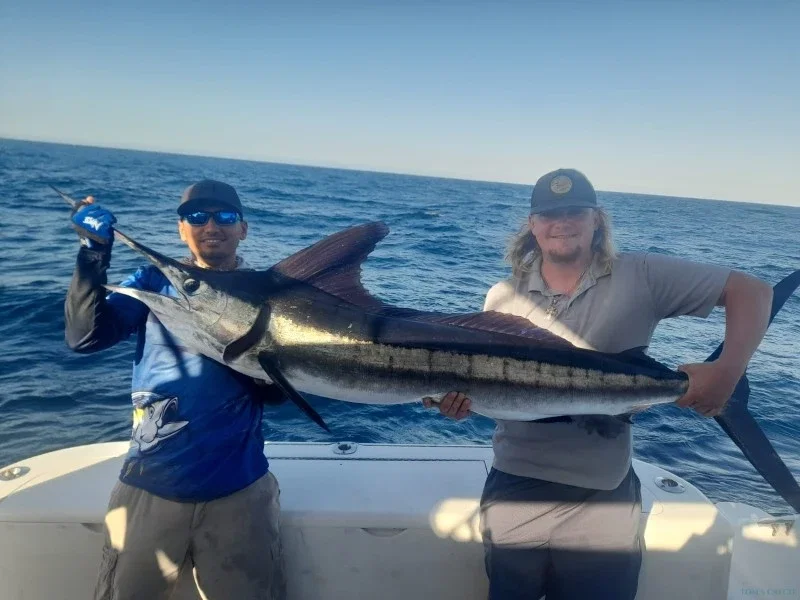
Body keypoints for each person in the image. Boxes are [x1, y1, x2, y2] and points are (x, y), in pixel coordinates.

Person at [424, 168, 773, 600]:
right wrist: (457, 405)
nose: (562, 223)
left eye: (575, 211)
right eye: (549, 214)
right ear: (532, 225)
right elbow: (495, 392)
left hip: (603, 493)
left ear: (596, 219)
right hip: (516, 485)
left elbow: (752, 291)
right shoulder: (502, 297)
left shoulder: (641, 274)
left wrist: (727, 371)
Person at [65, 179, 287, 600]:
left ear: (243, 228)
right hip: (149, 484)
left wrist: (263, 372)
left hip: (240, 488)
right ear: (181, 229)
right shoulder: (153, 281)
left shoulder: (268, 294)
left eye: (224, 216)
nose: (211, 226)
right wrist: (93, 254)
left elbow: (278, 395)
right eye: (196, 217)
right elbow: (85, 338)